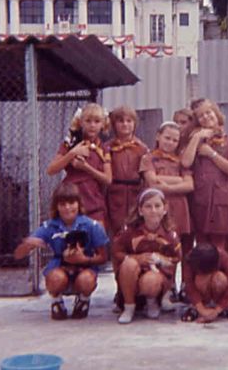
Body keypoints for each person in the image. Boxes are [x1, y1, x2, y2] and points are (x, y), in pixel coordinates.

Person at [14, 182, 108, 320]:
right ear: (56, 207)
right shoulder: (50, 226)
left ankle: (83, 299)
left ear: (79, 203)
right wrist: (28, 244)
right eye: (62, 204)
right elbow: (18, 255)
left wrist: (84, 260)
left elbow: (103, 257)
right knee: (56, 278)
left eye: (71, 203)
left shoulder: (91, 225)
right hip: (60, 265)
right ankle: (57, 301)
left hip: (84, 266)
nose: (67, 208)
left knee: (86, 280)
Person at [139, 121, 193, 306]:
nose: (170, 142)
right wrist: (178, 182)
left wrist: (166, 183)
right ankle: (165, 288)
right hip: (158, 209)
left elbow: (190, 185)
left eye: (175, 140)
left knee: (182, 248)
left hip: (179, 207)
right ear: (158, 136)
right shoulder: (149, 158)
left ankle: (185, 285)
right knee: (162, 245)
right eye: (167, 138)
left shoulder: (181, 160)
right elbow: (152, 183)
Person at [112, 188, 181, 324]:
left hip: (155, 274)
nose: (153, 210)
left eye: (157, 206)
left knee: (151, 280)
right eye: (148, 206)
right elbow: (116, 252)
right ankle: (129, 306)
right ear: (140, 210)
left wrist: (161, 260)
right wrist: (136, 258)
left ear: (165, 209)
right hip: (132, 276)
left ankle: (152, 301)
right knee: (129, 264)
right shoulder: (129, 231)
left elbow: (176, 258)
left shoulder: (170, 234)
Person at [181, 98, 228, 255]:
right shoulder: (195, 139)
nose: (206, 117)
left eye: (208, 112)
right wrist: (197, 137)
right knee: (202, 244)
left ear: (216, 114)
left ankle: (222, 277)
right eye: (201, 116)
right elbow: (186, 162)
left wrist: (211, 154)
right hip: (201, 198)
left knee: (220, 245)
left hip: (221, 198)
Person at [47, 103, 112, 226]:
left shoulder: (104, 149)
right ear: (81, 122)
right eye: (88, 121)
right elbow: (51, 170)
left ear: (103, 124)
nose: (92, 125)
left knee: (96, 240)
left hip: (93, 201)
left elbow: (108, 179)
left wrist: (86, 168)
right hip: (71, 199)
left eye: (97, 121)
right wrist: (72, 153)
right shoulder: (69, 144)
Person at [106, 106, 148, 235]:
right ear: (114, 125)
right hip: (115, 194)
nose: (125, 124)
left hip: (135, 193)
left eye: (129, 121)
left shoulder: (142, 148)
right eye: (121, 121)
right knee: (116, 231)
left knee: (135, 229)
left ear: (135, 124)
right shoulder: (108, 147)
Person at [181, 243, 228, 323]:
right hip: (200, 291)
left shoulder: (224, 258)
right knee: (200, 280)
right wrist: (201, 309)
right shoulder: (190, 258)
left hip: (217, 284)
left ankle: (227, 306)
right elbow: (189, 285)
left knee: (220, 280)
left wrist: (216, 311)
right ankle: (198, 305)